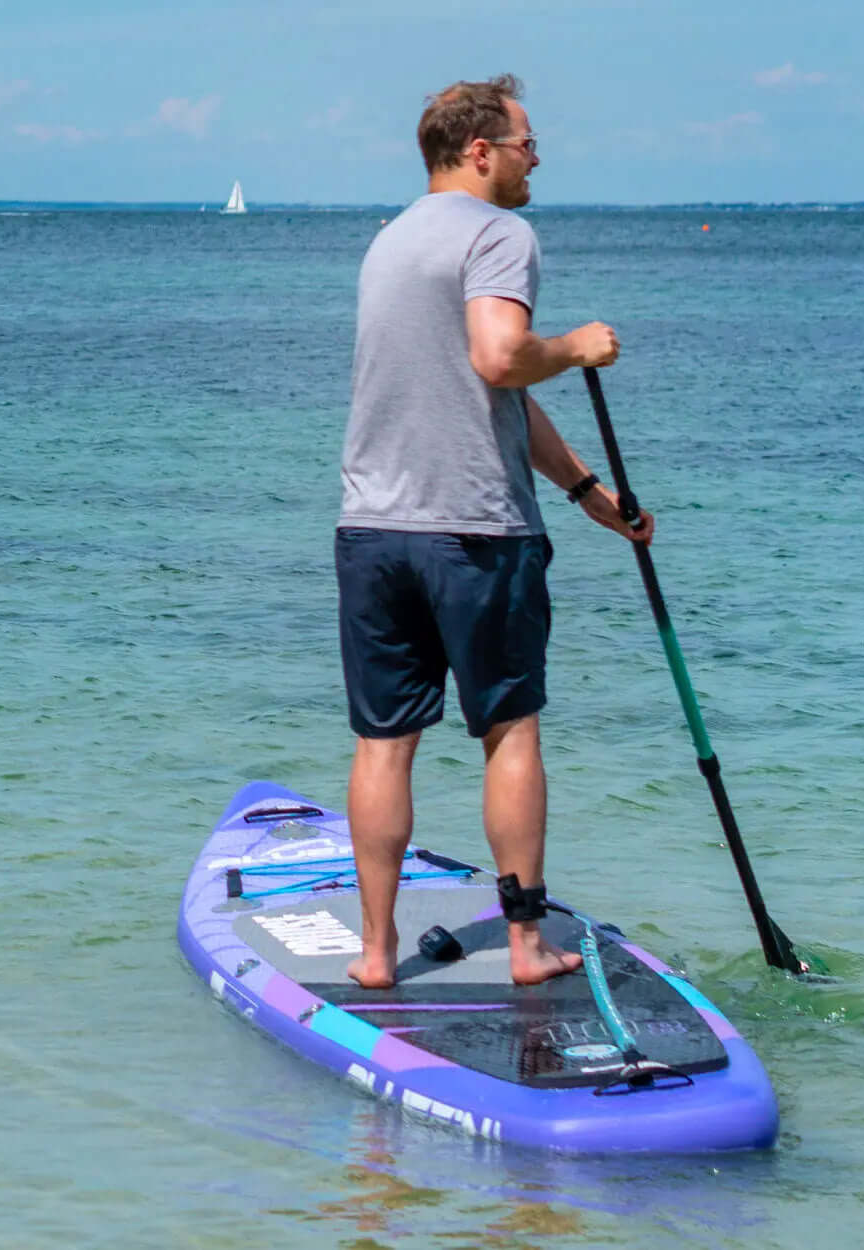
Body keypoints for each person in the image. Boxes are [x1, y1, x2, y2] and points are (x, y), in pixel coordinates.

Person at [336, 73, 653, 989]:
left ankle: (375, 954)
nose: (536, 159)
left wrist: (586, 487)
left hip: (371, 530)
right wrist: (577, 347)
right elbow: (502, 356)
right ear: (480, 151)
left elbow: (490, 395)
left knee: (383, 742)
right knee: (509, 732)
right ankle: (523, 945)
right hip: (475, 532)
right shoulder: (499, 232)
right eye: (526, 144)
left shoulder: (388, 242)